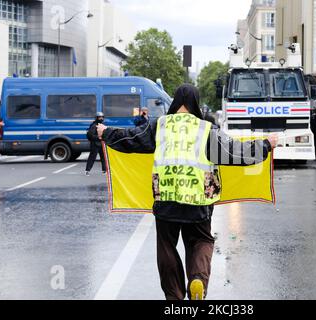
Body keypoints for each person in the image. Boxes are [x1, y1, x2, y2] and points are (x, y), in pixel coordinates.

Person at [97, 84, 278, 300]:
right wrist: (265, 144)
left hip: (166, 199)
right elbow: (234, 153)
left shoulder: (160, 126)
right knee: (201, 241)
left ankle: (174, 298)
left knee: (166, 248)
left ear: (175, 102)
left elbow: (131, 139)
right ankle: (198, 280)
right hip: (199, 200)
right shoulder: (206, 129)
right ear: (195, 103)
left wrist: (106, 132)